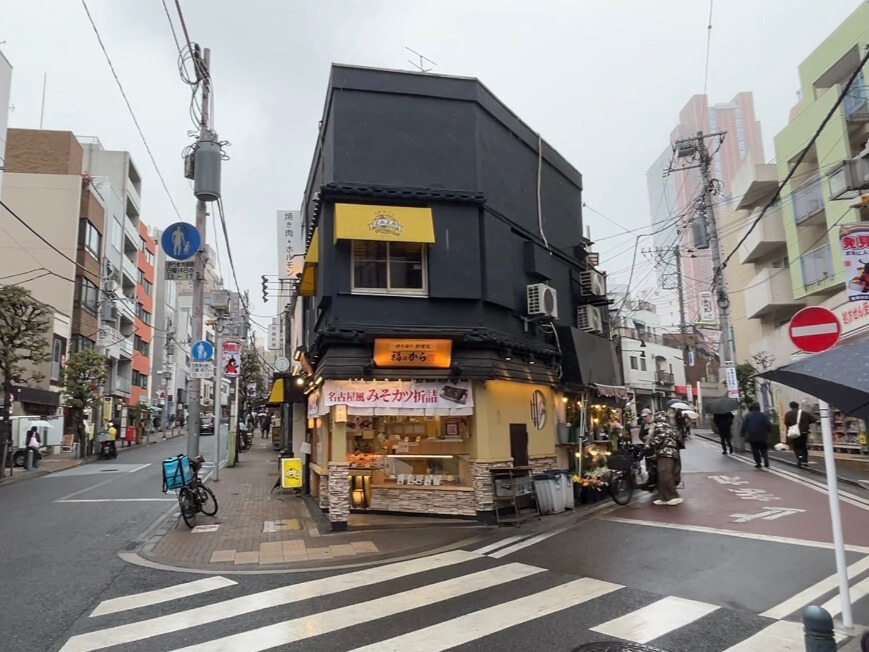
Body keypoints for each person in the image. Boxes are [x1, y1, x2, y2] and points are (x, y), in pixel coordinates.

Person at [649, 411, 682, 506]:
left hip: (666, 453)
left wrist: (651, 442)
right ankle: (664, 497)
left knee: (665, 475)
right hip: (669, 453)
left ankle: (673, 497)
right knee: (663, 475)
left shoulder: (660, 425)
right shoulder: (668, 425)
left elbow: (661, 437)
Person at [784, 401, 817, 469]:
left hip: (795, 433)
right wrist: (806, 423)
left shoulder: (788, 414)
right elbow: (814, 419)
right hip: (804, 432)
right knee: (803, 446)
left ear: (790, 406)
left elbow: (786, 423)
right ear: (798, 406)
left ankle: (800, 459)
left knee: (797, 447)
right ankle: (805, 461)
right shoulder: (804, 413)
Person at [741, 402, 772, 469]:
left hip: (752, 435)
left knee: (755, 449)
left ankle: (758, 463)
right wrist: (769, 431)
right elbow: (768, 424)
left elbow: (744, 425)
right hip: (762, 435)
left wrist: (742, 433)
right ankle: (766, 460)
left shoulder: (748, 415)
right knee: (763, 448)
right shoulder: (763, 415)